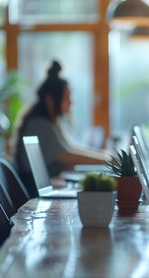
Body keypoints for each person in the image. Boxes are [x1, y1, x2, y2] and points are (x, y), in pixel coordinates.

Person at [12, 60, 109, 196]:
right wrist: (109, 160)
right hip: (33, 194)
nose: (71, 102)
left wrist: (105, 155)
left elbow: (71, 148)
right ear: (50, 99)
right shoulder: (40, 124)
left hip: (47, 187)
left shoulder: (53, 122)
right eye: (66, 97)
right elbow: (67, 155)